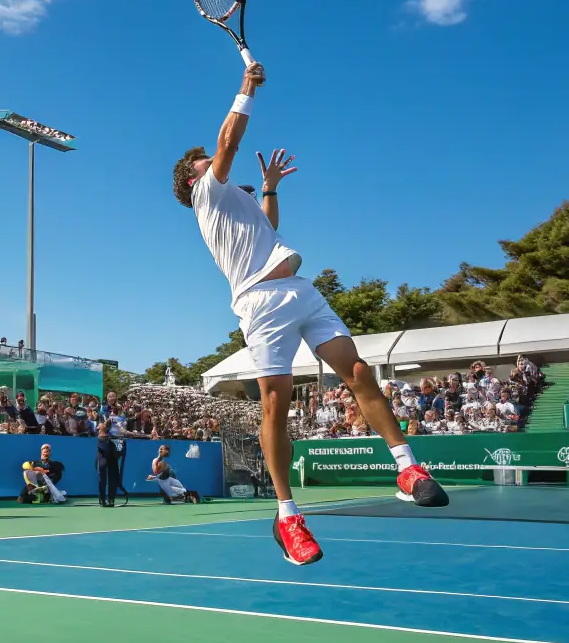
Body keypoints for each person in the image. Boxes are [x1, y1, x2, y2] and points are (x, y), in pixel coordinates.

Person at [172, 60, 446, 566]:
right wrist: (245, 89)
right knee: (275, 402)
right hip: (260, 304)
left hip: (301, 291)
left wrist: (270, 188)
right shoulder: (207, 195)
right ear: (193, 181)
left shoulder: (240, 203)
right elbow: (228, 143)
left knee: (359, 371)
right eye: (202, 161)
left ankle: (407, 469)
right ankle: (287, 516)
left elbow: (269, 229)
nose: (210, 160)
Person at [95, 422, 120, 506]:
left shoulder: (112, 440)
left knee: (110, 478)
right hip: (106, 458)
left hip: (110, 458)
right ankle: (105, 499)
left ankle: (110, 499)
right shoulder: (102, 439)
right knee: (104, 478)